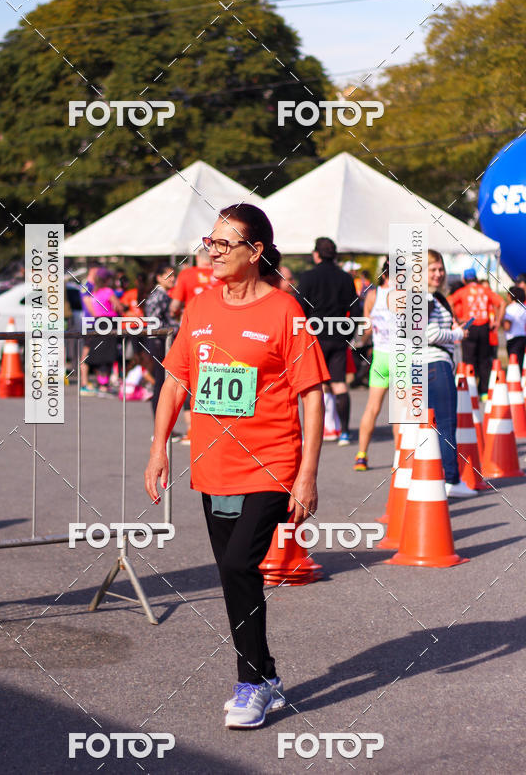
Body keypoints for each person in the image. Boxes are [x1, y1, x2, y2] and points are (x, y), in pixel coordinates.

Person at [144, 203, 328, 729]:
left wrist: (307, 474)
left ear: (256, 252)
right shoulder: (201, 305)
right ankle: (266, 674)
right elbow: (176, 380)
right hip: (212, 464)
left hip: (271, 463)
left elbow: (311, 395)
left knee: (237, 566)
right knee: (234, 579)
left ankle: (250, 684)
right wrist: (159, 447)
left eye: (225, 244)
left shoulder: (284, 311)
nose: (213, 251)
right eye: (211, 241)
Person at [297, 237, 358, 445]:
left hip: (315, 336)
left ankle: (315, 433)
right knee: (339, 384)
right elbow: (356, 309)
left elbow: (299, 309)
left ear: (316, 254)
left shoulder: (308, 277)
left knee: (314, 386)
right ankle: (344, 432)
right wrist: (349, 333)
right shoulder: (346, 278)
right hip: (340, 336)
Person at [427, 250, 477, 498]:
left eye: (440, 269)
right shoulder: (425, 298)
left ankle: (435, 477)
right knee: (446, 424)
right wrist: (457, 334)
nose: (438, 274)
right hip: (435, 364)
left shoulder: (428, 298)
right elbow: (431, 334)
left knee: (430, 426)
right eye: (432, 269)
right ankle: (452, 479)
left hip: (423, 366)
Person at [169, 250, 221, 443]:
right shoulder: (221, 274)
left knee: (187, 380)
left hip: (193, 332)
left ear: (198, 259)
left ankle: (192, 429)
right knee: (216, 376)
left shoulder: (186, 275)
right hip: (220, 332)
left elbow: (175, 305)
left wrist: (176, 314)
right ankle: (215, 425)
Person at [354, 260, 398, 470]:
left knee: (372, 408)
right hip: (401, 357)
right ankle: (399, 459)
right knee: (399, 412)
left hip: (380, 356)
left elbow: (367, 328)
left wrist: (360, 343)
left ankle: (361, 455)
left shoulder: (373, 295)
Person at [448, 268, 504, 399]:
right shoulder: (485, 290)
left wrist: (455, 318)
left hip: (469, 326)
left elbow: (449, 301)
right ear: (477, 279)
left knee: (468, 359)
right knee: (484, 359)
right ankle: (484, 392)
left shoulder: (462, 291)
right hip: (484, 327)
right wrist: (497, 321)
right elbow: (501, 303)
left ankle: (469, 391)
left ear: (464, 280)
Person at [143, 263, 179, 420]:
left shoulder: (157, 295)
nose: (173, 279)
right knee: (162, 382)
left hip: (156, 340)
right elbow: (159, 322)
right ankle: (160, 423)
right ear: (159, 278)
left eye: (174, 276)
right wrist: (179, 327)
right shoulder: (160, 295)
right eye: (169, 276)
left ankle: (161, 424)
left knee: (161, 381)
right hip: (160, 341)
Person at [80, 267, 123, 395]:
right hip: (109, 323)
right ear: (107, 280)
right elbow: (119, 307)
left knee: (98, 353)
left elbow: (93, 310)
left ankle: (100, 382)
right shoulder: (108, 291)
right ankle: (104, 384)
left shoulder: (94, 292)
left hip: (98, 323)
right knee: (108, 354)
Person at [503, 285, 526, 369]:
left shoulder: (510, 309)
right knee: (521, 364)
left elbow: (507, 326)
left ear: (511, 296)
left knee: (514, 365)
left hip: (513, 340)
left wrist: (501, 322)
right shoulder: (523, 307)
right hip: (523, 338)